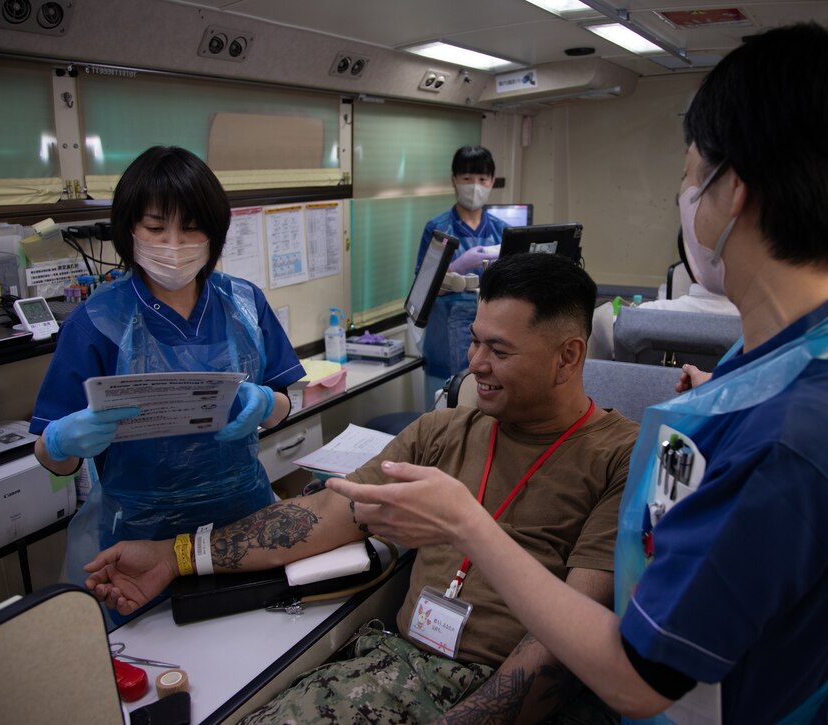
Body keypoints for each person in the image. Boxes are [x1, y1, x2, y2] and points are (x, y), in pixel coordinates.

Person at [329, 23, 828, 724]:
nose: (687, 196)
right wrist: (721, 403)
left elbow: (637, 678)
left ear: (737, 189)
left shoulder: (789, 438)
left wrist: (469, 523)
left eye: (689, 175)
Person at [84, 252, 639, 722]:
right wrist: (173, 555)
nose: (474, 364)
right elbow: (323, 515)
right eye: (474, 342)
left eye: (499, 351)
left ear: (568, 356)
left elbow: (576, 633)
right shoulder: (443, 431)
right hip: (389, 660)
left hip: (487, 690)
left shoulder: (619, 457)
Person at [30, 146, 305, 598]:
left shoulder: (244, 303)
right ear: (129, 229)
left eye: (191, 228)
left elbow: (282, 404)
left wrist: (263, 403)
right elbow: (52, 459)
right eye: (156, 228)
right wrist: (62, 440)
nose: (173, 246)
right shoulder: (97, 322)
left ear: (214, 233)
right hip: (138, 539)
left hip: (240, 526)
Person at [416, 145, 509, 404]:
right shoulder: (438, 228)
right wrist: (457, 267)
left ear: (491, 181)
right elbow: (422, 291)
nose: (475, 186)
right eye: (467, 179)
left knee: (484, 414)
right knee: (442, 414)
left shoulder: (504, 231)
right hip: (444, 339)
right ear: (454, 180)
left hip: (492, 336)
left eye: (482, 179)